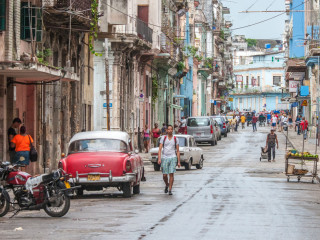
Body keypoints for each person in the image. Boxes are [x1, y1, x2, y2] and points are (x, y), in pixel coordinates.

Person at [158, 125, 181, 195]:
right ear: (167, 130)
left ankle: (170, 189)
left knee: (171, 174)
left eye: (171, 129)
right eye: (169, 129)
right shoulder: (163, 138)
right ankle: (167, 184)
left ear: (172, 130)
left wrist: (179, 161)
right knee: (164, 175)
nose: (170, 130)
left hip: (173, 158)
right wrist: (159, 158)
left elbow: (177, 151)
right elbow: (160, 149)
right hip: (165, 158)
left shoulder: (175, 139)